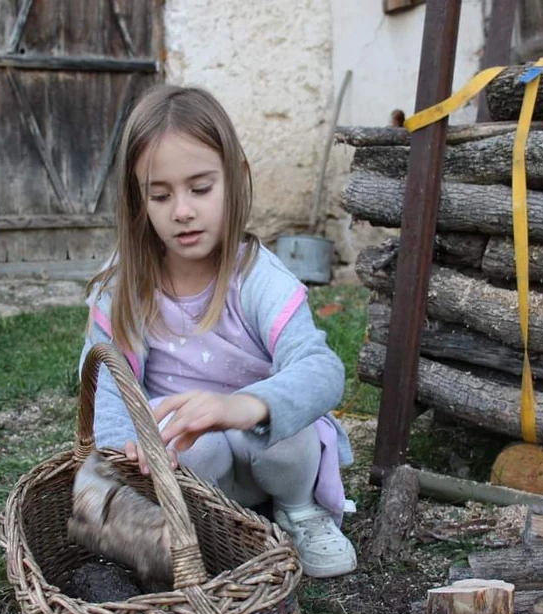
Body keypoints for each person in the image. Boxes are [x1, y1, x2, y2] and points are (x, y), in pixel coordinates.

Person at [79, 84, 357, 578]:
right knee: (195, 443)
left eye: (200, 189)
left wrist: (244, 406)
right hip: (194, 467)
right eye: (160, 195)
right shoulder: (125, 285)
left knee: (290, 435)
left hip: (268, 455)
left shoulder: (257, 277)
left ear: (235, 179)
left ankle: (299, 510)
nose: (182, 211)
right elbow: (109, 381)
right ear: (138, 200)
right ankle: (211, 526)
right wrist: (123, 448)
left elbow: (322, 370)